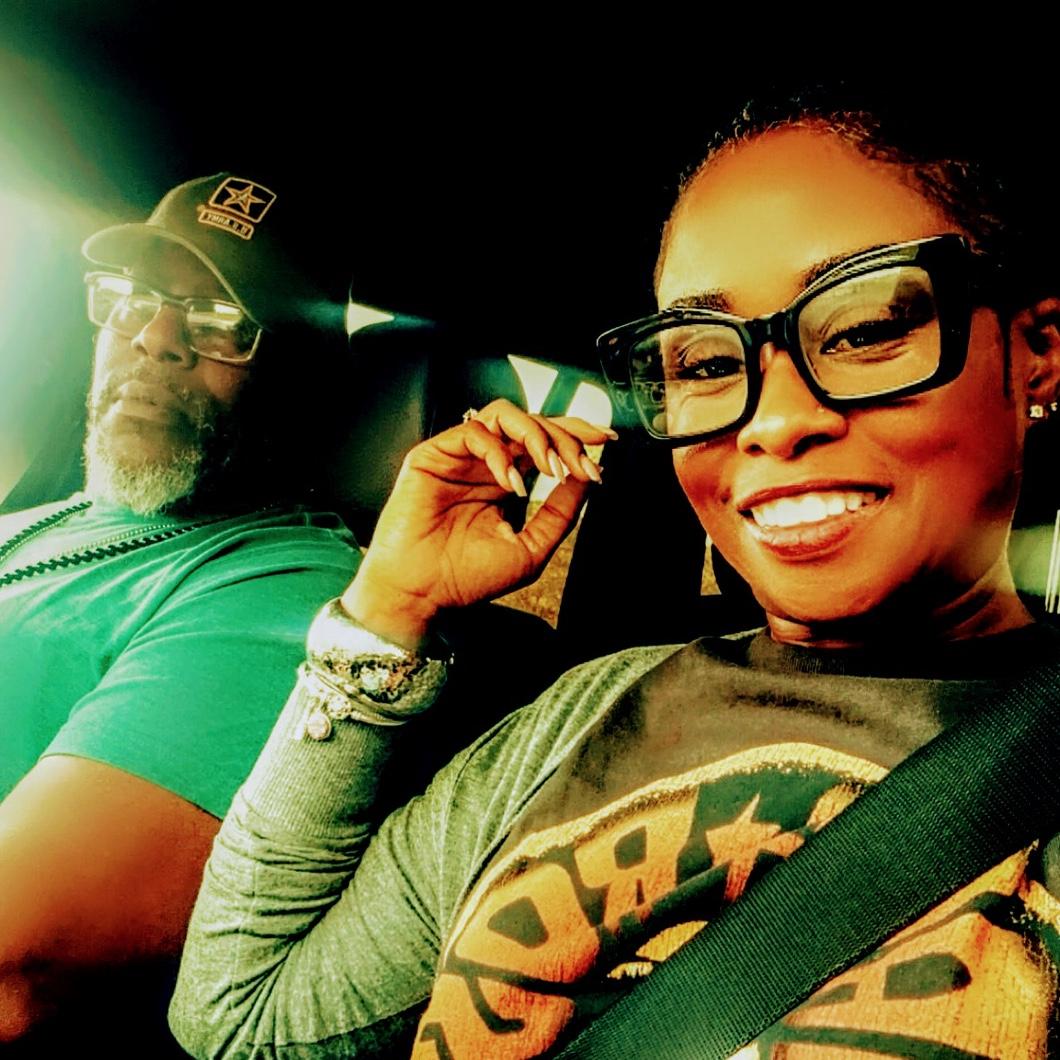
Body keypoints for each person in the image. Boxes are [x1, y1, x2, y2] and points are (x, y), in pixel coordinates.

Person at [171, 92, 1060, 1058]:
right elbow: (239, 1020)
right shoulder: (581, 717)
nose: (773, 420)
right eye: (705, 362)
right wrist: (388, 609)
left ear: (1037, 356)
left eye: (863, 329)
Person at [0, 173, 366, 1050]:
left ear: (300, 375)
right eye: (134, 299)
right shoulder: (50, 516)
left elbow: (13, 961)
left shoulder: (286, 592)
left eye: (218, 320)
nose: (153, 338)